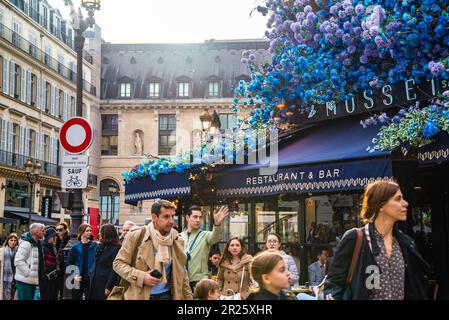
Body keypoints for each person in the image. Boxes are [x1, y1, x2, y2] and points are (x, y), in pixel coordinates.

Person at [323, 180, 430, 300]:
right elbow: (334, 284)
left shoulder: (406, 243)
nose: (405, 203)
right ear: (381, 205)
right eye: (398, 199)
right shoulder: (355, 238)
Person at [113, 199, 193, 300]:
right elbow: (118, 264)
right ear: (154, 217)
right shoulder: (136, 235)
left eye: (173, 216)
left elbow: (182, 273)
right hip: (139, 295)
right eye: (166, 217)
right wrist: (142, 277)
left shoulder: (176, 238)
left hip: (167, 295)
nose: (171, 221)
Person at [180, 205, 229, 291]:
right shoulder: (180, 236)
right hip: (182, 279)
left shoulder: (205, 235)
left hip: (200, 279)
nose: (198, 220)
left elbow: (215, 237)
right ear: (187, 218)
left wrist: (217, 224)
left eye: (200, 217)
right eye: (195, 217)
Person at [88, 224, 121, 300]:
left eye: (101, 232)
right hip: (95, 282)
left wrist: (109, 286)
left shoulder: (116, 248)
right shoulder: (101, 246)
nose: (99, 234)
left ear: (107, 234)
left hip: (105, 283)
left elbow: (115, 269)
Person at [14, 223, 45, 300]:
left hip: (31, 281)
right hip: (25, 281)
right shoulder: (26, 244)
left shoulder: (36, 243)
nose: (44, 232)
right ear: (36, 231)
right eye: (43, 230)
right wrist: (28, 273)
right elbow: (18, 261)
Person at [67, 224, 97, 300]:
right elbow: (69, 263)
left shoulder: (95, 246)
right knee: (75, 297)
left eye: (90, 231)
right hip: (78, 278)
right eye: (87, 231)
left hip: (90, 278)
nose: (90, 232)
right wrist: (74, 275)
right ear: (81, 232)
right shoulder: (75, 247)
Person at [40, 226, 59, 300]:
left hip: (53, 277)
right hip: (47, 278)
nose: (55, 238)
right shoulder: (44, 247)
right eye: (53, 236)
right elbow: (45, 264)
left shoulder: (52, 246)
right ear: (49, 237)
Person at [0, 233, 19, 300]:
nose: (13, 242)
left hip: (15, 278)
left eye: (15, 240)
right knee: (5, 296)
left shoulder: (19, 251)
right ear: (8, 241)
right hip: (5, 277)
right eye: (11, 240)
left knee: (14, 296)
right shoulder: (2, 250)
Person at [55, 222, 70, 299]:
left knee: (65, 287)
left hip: (66, 267)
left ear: (65, 230)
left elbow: (60, 253)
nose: (58, 232)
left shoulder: (68, 239)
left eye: (60, 230)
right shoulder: (56, 240)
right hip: (59, 267)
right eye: (57, 230)